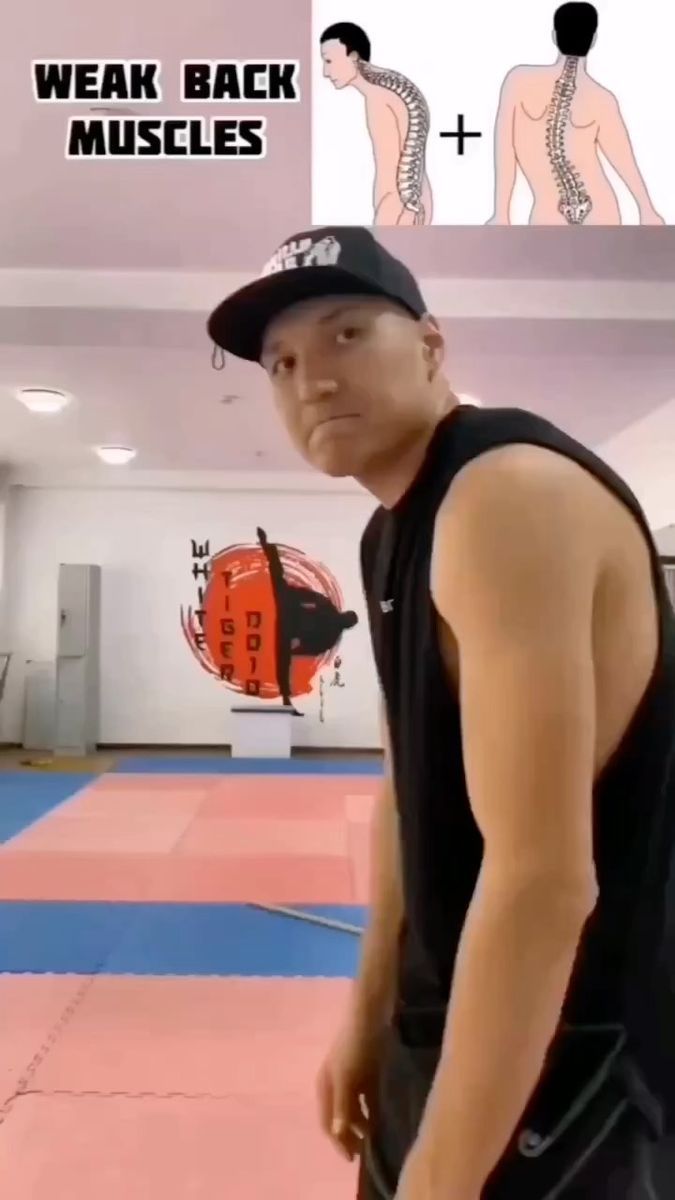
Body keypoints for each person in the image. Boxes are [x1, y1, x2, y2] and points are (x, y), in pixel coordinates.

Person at [207, 225, 675, 1198]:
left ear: (429, 345)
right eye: (282, 362)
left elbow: (547, 882)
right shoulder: (393, 531)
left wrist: (440, 1180)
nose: (311, 381)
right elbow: (405, 789)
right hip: (464, 1019)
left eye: (345, 336)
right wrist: (371, 1014)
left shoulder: (505, 495)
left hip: (570, 1052)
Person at [488, 2, 664, 226]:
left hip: (550, 216)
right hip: (601, 213)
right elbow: (625, 162)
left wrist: (501, 213)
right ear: (594, 40)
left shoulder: (518, 80)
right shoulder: (602, 98)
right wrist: (647, 210)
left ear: (554, 36)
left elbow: (504, 148)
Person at [319, 22, 433, 226]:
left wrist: (385, 226)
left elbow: (391, 180)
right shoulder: (389, 94)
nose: (325, 72)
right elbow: (419, 176)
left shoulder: (378, 100)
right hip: (412, 214)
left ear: (353, 57)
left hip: (396, 218)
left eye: (329, 61)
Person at [256, 525, 358, 707]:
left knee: (278, 577)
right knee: (283, 663)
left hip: (289, 616)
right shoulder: (331, 634)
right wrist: (292, 649)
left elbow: (307, 597)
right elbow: (310, 648)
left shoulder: (329, 614)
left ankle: (267, 548)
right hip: (290, 624)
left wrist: (291, 595)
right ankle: (286, 697)